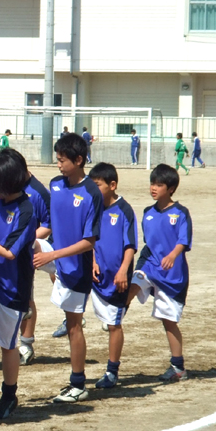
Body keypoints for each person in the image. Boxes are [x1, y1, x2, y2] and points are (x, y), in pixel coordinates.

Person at [33, 132, 103, 403]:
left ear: (79, 160)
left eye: (62, 160)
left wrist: (54, 256)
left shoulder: (91, 193)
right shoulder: (55, 185)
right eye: (57, 160)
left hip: (75, 266)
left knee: (74, 325)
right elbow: (50, 222)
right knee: (21, 251)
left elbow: (88, 242)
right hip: (57, 257)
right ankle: (19, 304)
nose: (58, 165)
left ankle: (78, 383)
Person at [0, 148, 38, 419]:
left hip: (12, 286)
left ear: (11, 183)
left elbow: (10, 252)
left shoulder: (27, 211)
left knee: (7, 345)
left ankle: (9, 395)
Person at [126, 164, 192, 383]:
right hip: (150, 265)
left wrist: (173, 254)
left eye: (159, 184)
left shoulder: (180, 213)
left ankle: (178, 367)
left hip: (172, 276)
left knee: (168, 321)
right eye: (152, 183)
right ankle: (115, 317)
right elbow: (148, 243)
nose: (153, 188)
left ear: (171, 188)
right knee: (132, 284)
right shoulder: (147, 212)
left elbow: (184, 240)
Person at [87, 163, 137, 389]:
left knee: (114, 325)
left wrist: (123, 270)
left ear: (112, 185)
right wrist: (93, 262)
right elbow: (89, 240)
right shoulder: (93, 208)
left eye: (97, 185)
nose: (93, 189)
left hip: (117, 278)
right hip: (97, 277)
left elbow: (130, 245)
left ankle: (112, 371)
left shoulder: (124, 210)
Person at [15, 169, 52, 366]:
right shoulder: (3, 185)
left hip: (31, 248)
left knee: (26, 296)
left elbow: (49, 224)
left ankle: (26, 344)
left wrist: (26, 239)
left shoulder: (38, 193)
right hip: (5, 249)